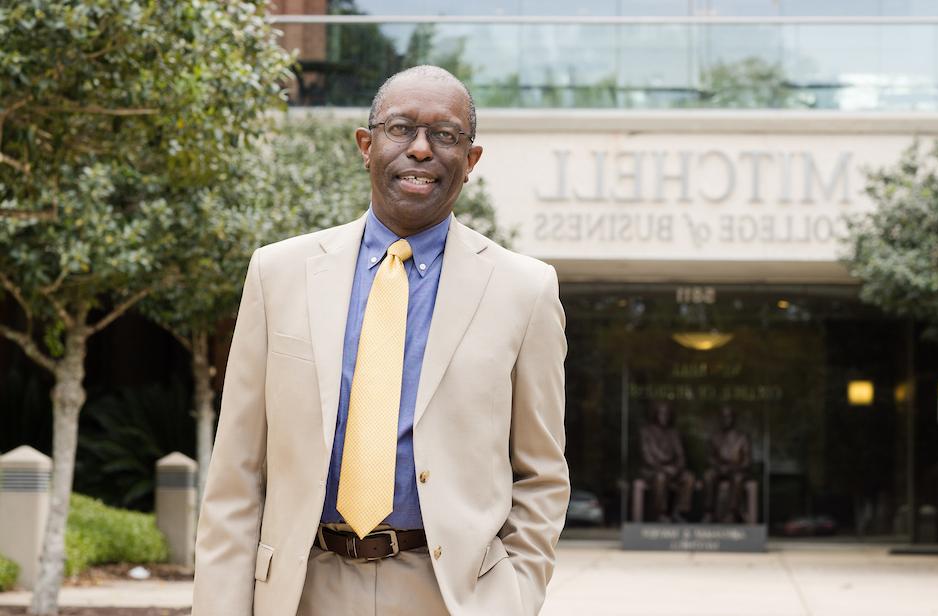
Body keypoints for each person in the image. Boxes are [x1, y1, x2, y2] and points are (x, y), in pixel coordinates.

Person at [192, 66, 569, 616]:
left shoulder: (526, 290)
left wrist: (513, 598)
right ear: (366, 146)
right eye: (400, 129)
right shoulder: (278, 274)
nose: (421, 149)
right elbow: (235, 475)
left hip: (450, 595)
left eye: (445, 135)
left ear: (472, 161)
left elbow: (542, 474)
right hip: (302, 589)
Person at [638, 401, 694, 522]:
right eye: (661, 414)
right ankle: (661, 514)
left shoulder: (673, 433)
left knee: (688, 478)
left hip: (673, 469)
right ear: (656, 415)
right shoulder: (646, 432)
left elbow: (681, 456)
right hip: (653, 470)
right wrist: (664, 469)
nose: (664, 417)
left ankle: (679, 511)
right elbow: (647, 457)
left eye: (667, 414)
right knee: (661, 478)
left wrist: (677, 468)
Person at [702, 405, 751, 523]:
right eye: (723, 417)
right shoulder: (715, 437)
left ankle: (732, 513)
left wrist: (732, 468)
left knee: (738, 478)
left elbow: (747, 461)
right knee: (708, 476)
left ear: (733, 419)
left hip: (735, 470)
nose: (726, 420)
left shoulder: (742, 438)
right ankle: (709, 512)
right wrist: (718, 467)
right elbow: (709, 457)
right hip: (719, 469)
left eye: (729, 417)